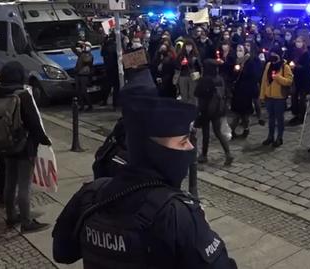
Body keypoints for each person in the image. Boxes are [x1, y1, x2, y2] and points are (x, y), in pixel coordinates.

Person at [52, 95, 237, 269]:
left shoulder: (91, 194)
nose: (190, 148)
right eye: (183, 142)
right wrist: (198, 226)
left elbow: (62, 252)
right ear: (155, 151)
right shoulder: (175, 214)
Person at [0, 61, 52, 232]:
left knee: (9, 181)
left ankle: (11, 216)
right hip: (24, 145)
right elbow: (34, 123)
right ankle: (27, 222)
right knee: (24, 184)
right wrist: (45, 140)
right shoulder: (23, 95)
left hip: (4, 143)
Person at [195, 59, 233, 166]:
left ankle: (204, 155)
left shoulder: (205, 80)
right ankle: (228, 153)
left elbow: (199, 96)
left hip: (206, 109)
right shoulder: (220, 79)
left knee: (206, 133)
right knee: (218, 132)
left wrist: (198, 112)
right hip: (217, 109)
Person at [259, 47, 293, 147]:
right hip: (269, 96)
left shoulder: (285, 66)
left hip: (279, 97)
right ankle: (270, 137)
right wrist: (262, 95)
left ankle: (279, 137)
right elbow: (264, 81)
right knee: (271, 118)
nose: (273, 56)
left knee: (279, 118)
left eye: (275, 54)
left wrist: (278, 78)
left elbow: (289, 81)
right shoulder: (269, 65)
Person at [230, 45, 261, 139]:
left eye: (240, 50)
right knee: (237, 113)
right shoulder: (236, 61)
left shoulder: (249, 62)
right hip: (237, 91)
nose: (238, 52)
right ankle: (232, 130)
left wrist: (242, 71)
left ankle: (244, 129)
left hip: (246, 91)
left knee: (244, 114)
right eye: (237, 50)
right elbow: (233, 76)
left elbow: (253, 76)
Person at [288, 36, 310, 126]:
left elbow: (306, 68)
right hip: (295, 79)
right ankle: (296, 114)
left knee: (301, 99)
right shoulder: (294, 52)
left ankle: (301, 117)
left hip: (303, 79)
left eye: (299, 41)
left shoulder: (306, 54)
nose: (297, 43)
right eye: (296, 41)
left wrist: (296, 67)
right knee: (294, 97)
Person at [174, 39, 202, 105]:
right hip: (183, 75)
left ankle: (193, 109)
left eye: (190, 46)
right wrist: (181, 64)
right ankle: (184, 109)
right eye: (187, 46)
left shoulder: (196, 54)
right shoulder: (181, 55)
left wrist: (195, 61)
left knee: (193, 94)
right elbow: (176, 65)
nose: (188, 47)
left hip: (194, 75)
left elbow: (200, 66)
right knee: (184, 94)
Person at [100, 33, 120, 108]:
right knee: (116, 87)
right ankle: (115, 103)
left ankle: (104, 100)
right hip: (114, 68)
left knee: (107, 86)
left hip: (107, 68)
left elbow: (102, 54)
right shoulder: (115, 46)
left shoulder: (105, 46)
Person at [73, 41, 94, 111]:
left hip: (84, 75)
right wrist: (78, 44)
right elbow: (74, 50)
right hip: (78, 74)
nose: (84, 47)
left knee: (84, 91)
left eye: (86, 46)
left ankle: (89, 105)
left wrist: (83, 51)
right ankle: (81, 105)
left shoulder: (89, 55)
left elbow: (86, 60)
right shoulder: (81, 54)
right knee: (78, 91)